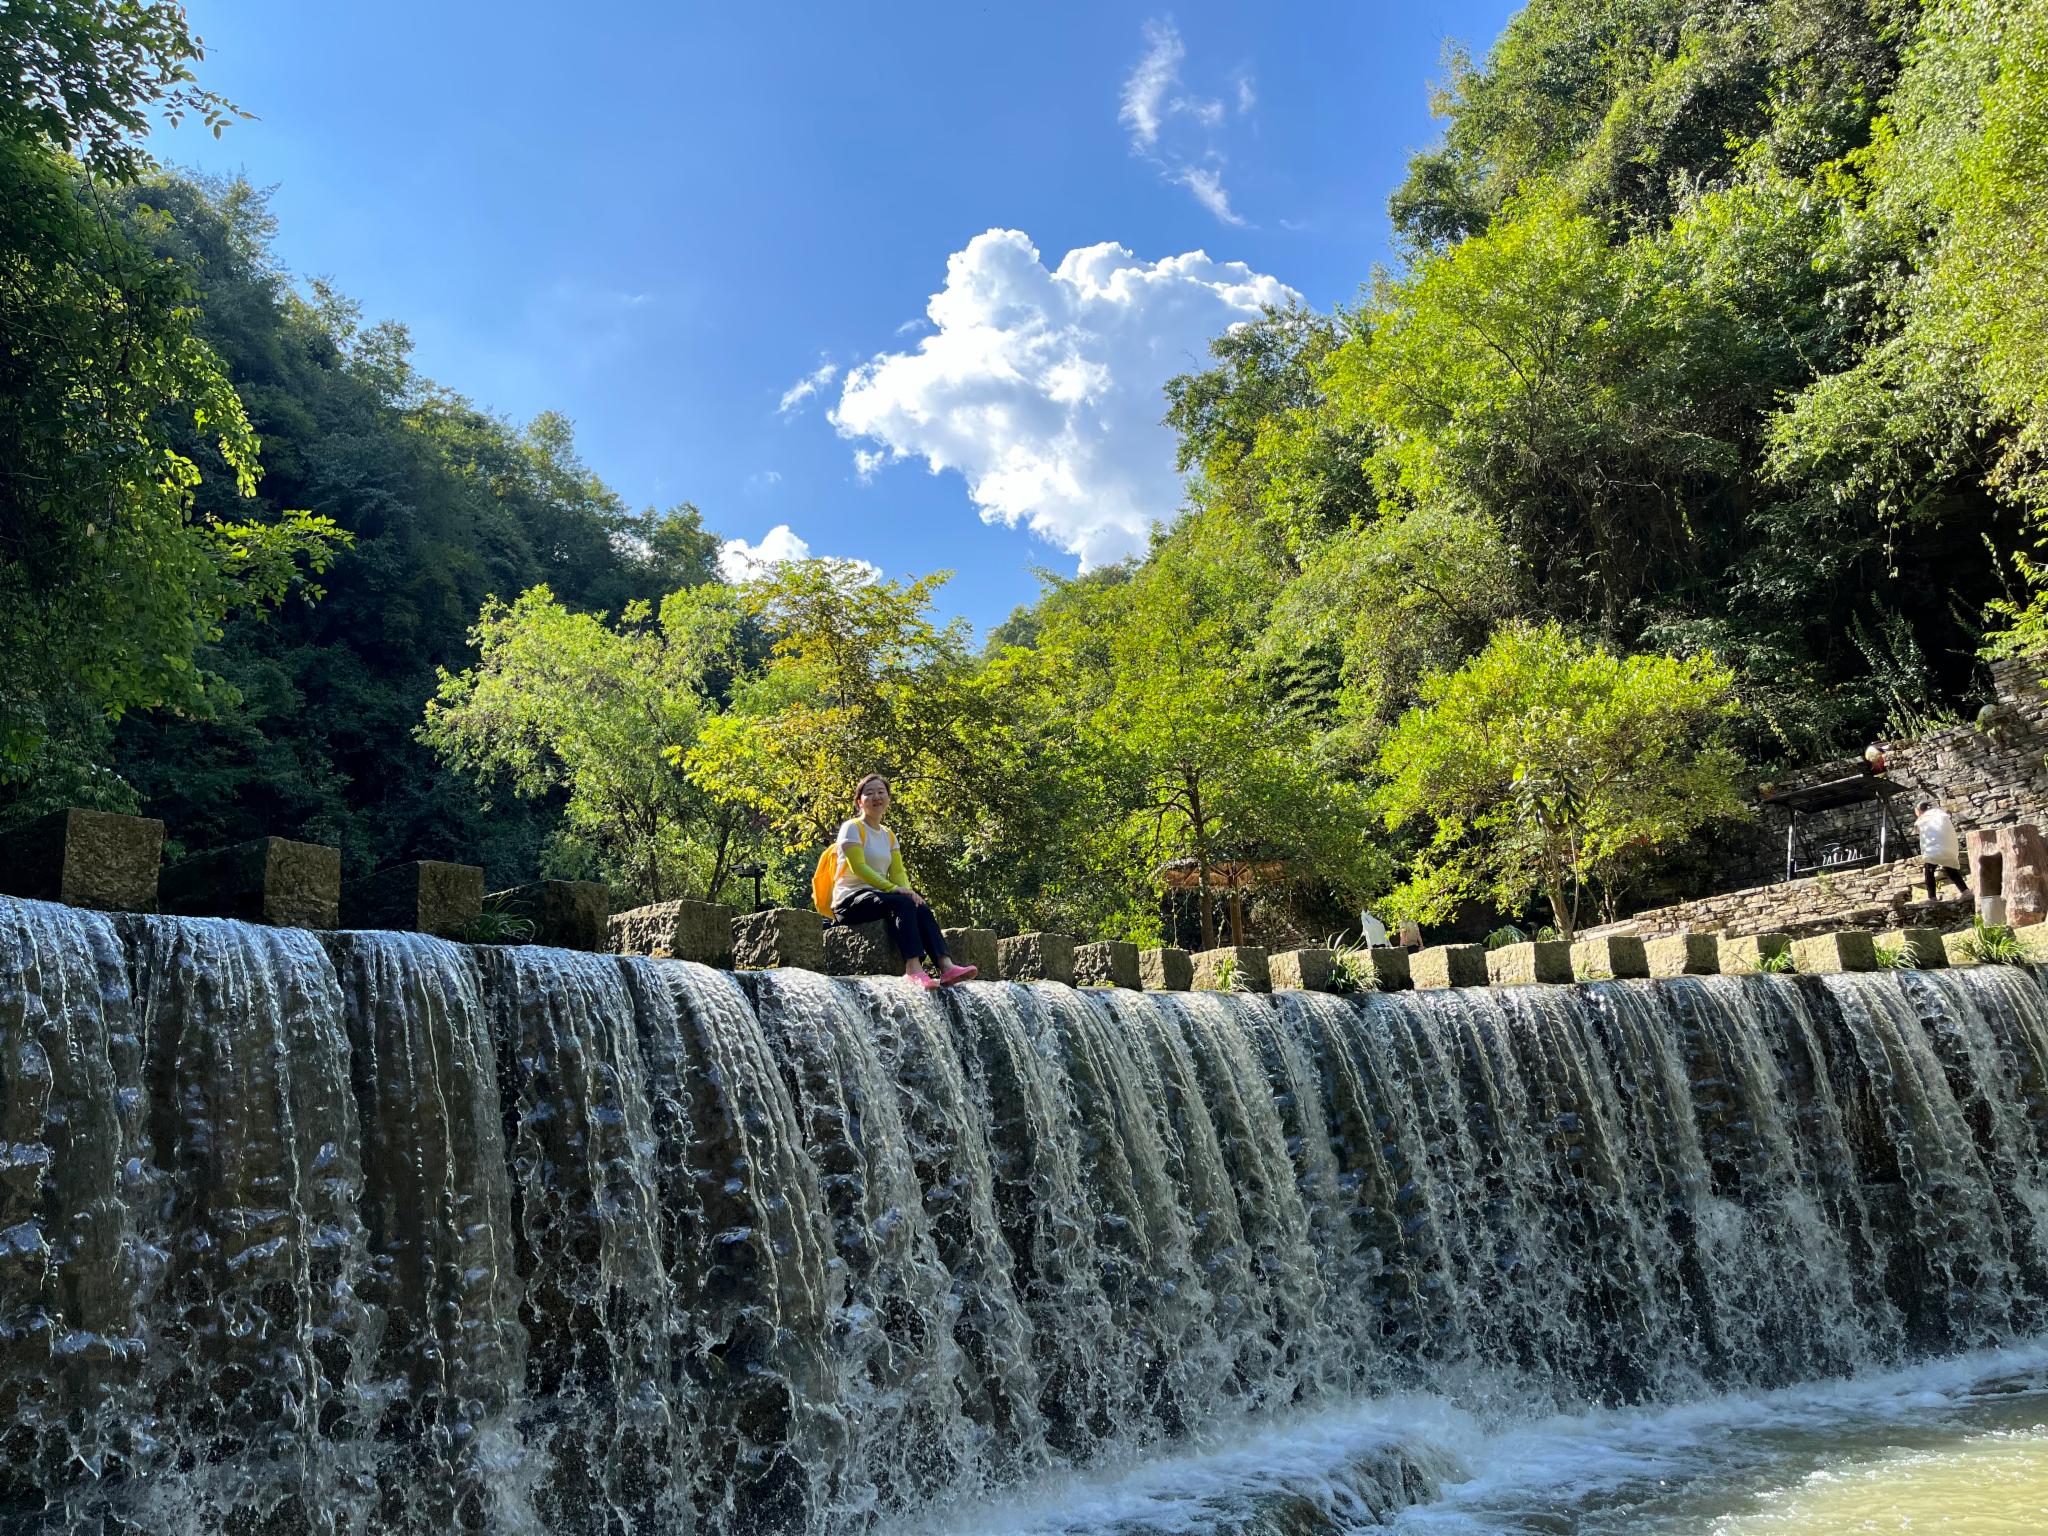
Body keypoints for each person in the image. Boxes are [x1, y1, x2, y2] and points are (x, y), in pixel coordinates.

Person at [834, 773, 976, 990]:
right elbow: (858, 868)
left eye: (881, 792)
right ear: (859, 801)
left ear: (888, 799)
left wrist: (909, 892)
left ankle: (946, 966)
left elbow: (898, 872)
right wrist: (895, 890)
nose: (876, 797)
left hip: (879, 896)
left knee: (917, 904)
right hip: (850, 900)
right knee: (902, 902)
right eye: (869, 793)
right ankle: (913, 969)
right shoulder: (852, 827)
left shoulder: (888, 835)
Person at [1915, 800, 1970, 901]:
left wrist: (1919, 817)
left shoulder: (1923, 818)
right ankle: (1965, 891)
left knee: (1929, 870)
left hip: (1934, 849)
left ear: (1919, 811)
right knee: (1950, 867)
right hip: (1950, 848)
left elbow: (1920, 832)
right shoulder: (1941, 814)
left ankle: (1932, 897)